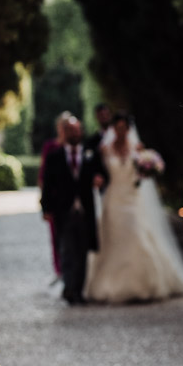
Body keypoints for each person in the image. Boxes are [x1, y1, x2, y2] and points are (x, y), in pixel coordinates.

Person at [84, 112, 183, 303]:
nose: (121, 132)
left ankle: (143, 283)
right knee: (112, 239)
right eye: (117, 128)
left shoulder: (137, 148)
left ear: (128, 129)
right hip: (113, 198)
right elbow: (96, 171)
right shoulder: (104, 149)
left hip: (132, 198)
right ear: (113, 129)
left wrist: (148, 169)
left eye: (124, 128)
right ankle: (112, 284)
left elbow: (145, 173)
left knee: (136, 233)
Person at [41, 117, 108, 305]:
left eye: (77, 129)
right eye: (71, 130)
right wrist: (46, 208)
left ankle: (78, 290)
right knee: (67, 251)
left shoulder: (90, 154)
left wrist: (100, 180)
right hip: (63, 211)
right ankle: (69, 289)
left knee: (83, 252)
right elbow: (47, 185)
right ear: (65, 132)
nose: (75, 133)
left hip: (86, 211)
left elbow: (104, 174)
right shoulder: (54, 157)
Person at [38, 111, 72, 280]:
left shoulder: (76, 146)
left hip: (72, 198)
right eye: (62, 126)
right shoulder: (50, 147)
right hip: (55, 198)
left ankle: (71, 269)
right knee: (55, 235)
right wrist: (45, 201)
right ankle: (59, 270)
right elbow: (43, 174)